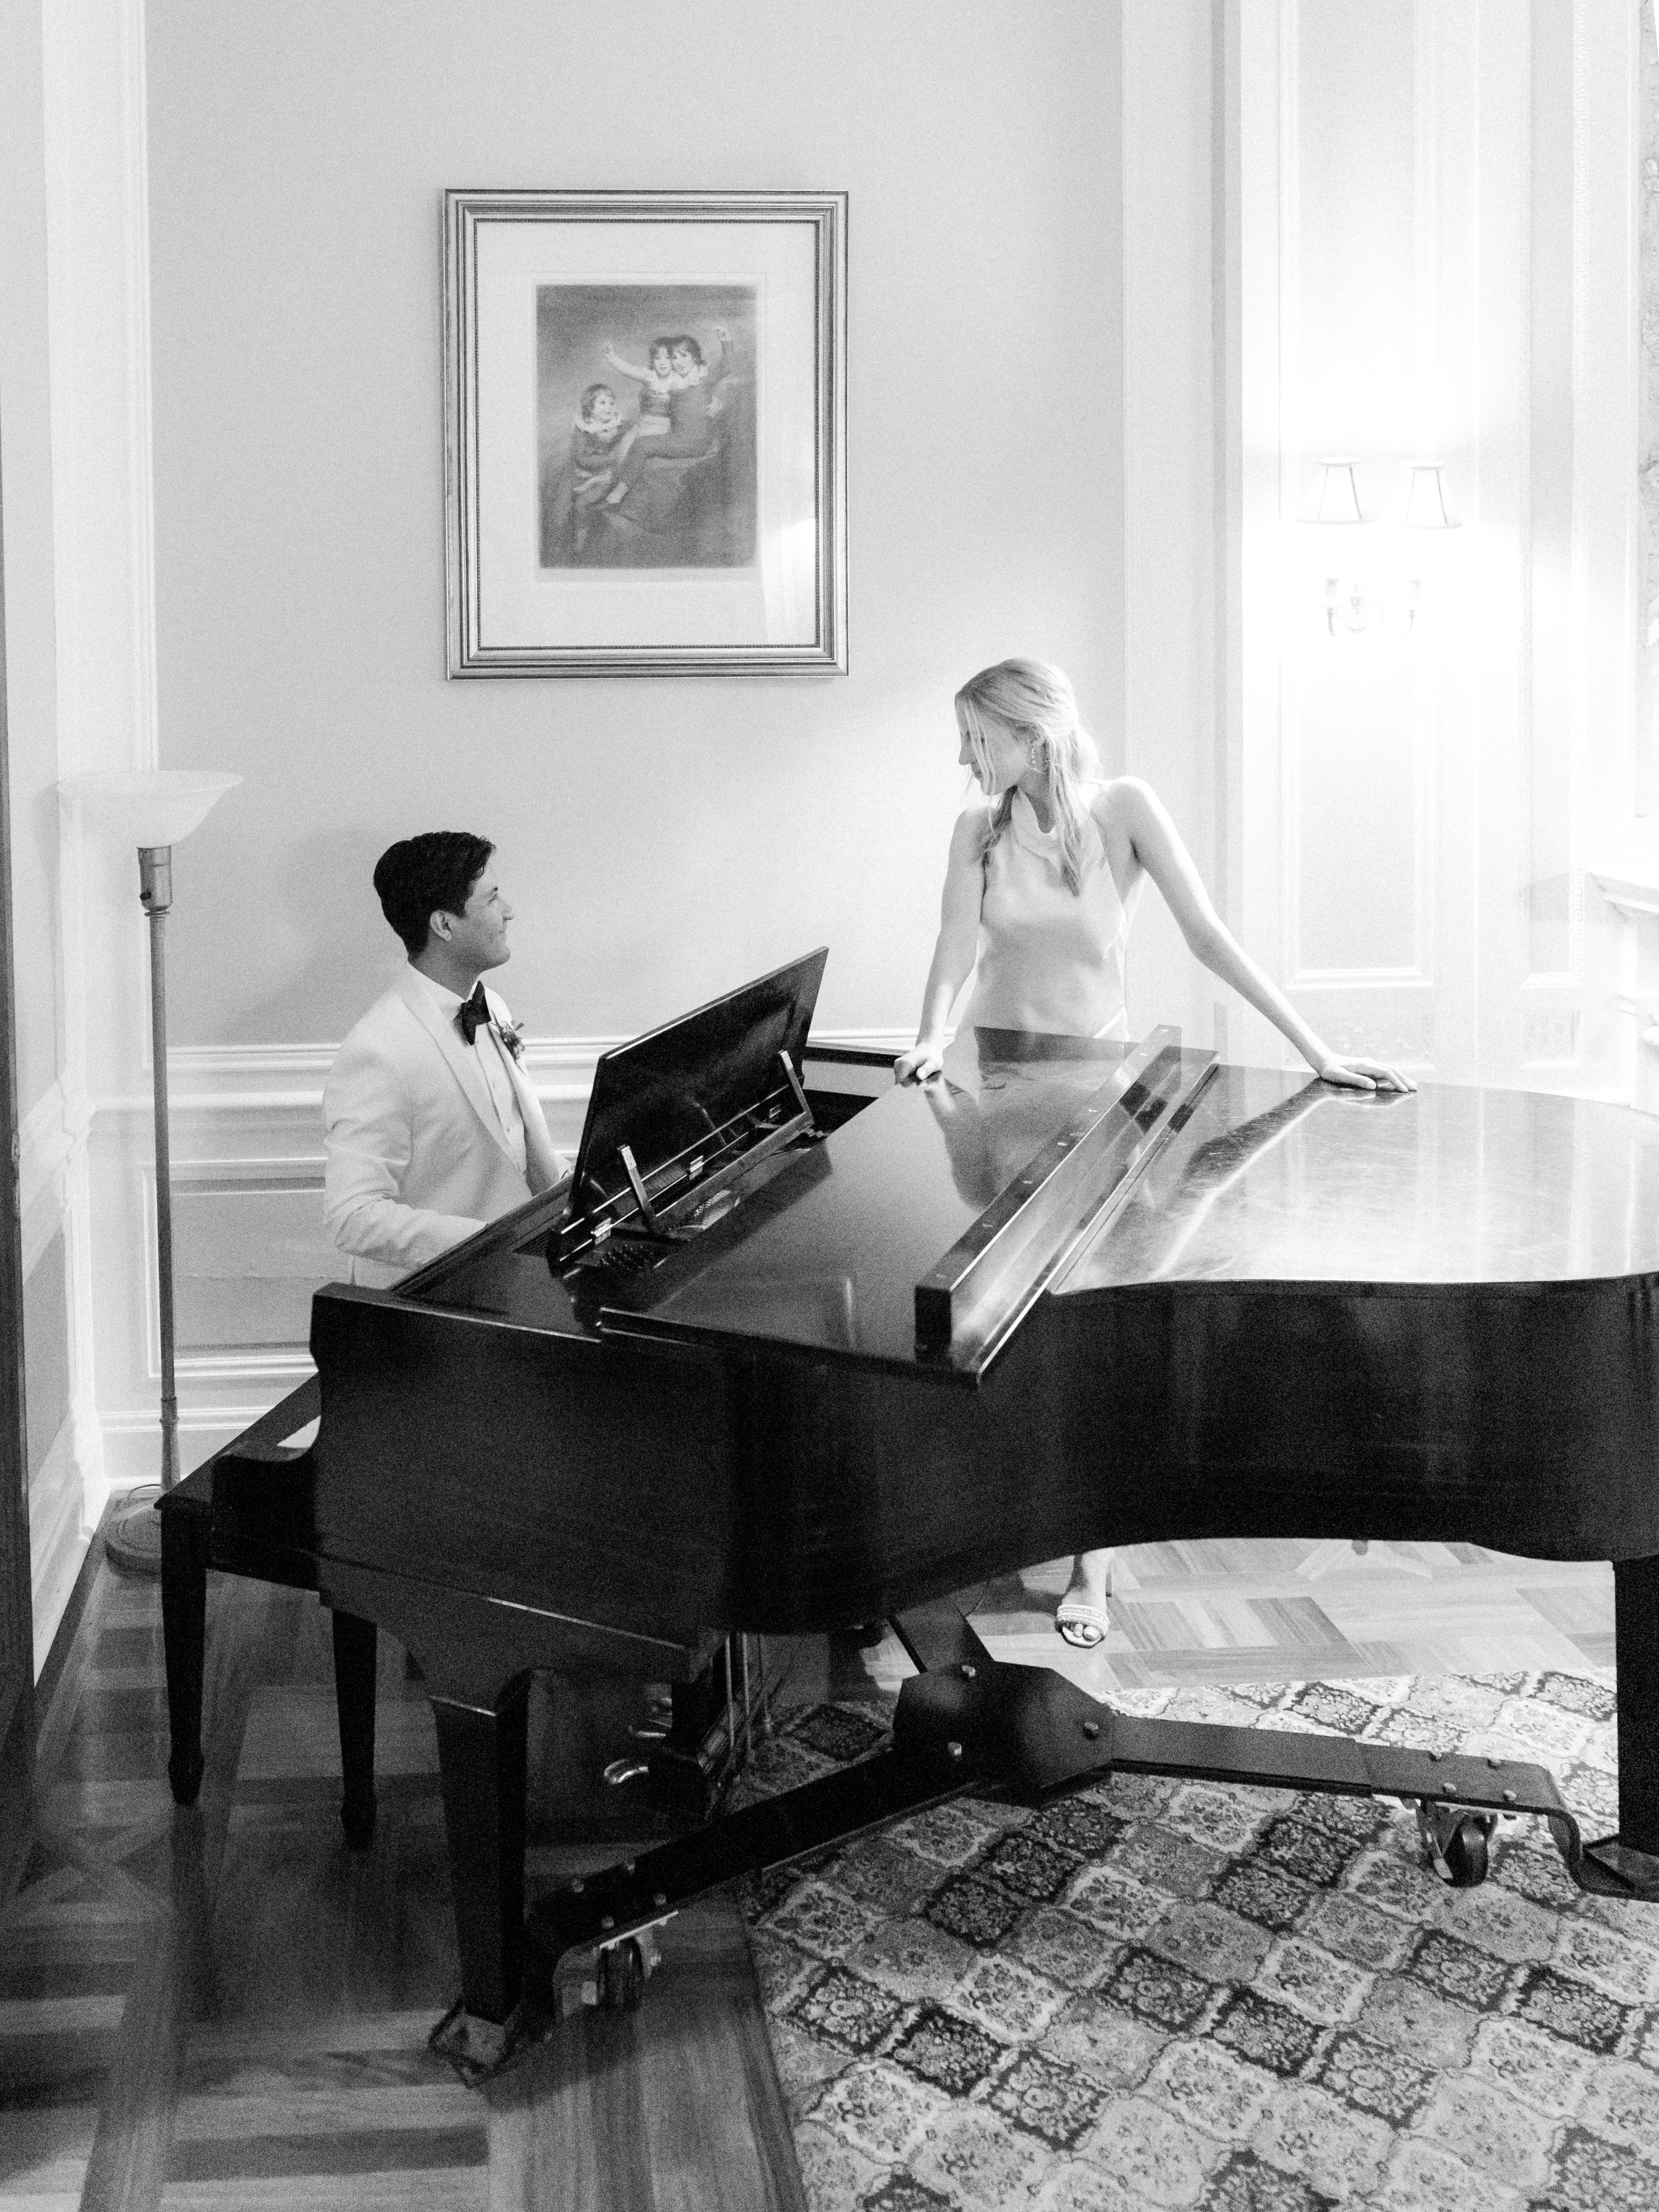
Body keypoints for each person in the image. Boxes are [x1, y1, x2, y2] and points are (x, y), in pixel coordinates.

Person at [894, 658, 1415, 1649]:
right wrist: (929, 1034)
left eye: (979, 736)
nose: (965, 756)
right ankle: (992, 1521)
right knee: (997, 1334)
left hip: (1102, 1103)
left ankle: (1095, 1566)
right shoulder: (977, 828)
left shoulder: (1124, 808)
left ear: (1030, 730)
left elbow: (1208, 936)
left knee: (1098, 1344)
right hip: (996, 1096)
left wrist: (1318, 1050)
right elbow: (955, 950)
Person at [323, 832, 568, 1288]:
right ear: (444, 925)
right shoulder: (377, 1050)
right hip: (431, 1304)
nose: (509, 911)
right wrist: (491, 1241)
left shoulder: (491, 1005)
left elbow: (516, 1148)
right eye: (492, 899)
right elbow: (352, 1216)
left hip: (515, 1280)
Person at [601, 335, 684, 440]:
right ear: (653, 361)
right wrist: (612, 357)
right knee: (625, 447)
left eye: (668, 358)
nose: (663, 363)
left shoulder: (678, 380)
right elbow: (628, 370)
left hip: (665, 429)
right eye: (658, 358)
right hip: (643, 425)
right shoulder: (650, 376)